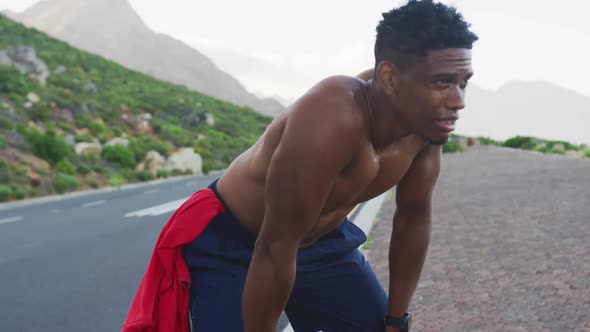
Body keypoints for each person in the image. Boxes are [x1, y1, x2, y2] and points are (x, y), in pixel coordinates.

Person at [124, 1, 478, 331]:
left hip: (322, 244)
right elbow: (275, 246)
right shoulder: (333, 114)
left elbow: (413, 217)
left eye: (463, 83)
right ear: (389, 77)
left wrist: (396, 320)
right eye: (442, 82)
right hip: (239, 243)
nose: (458, 101)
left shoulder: (426, 126)